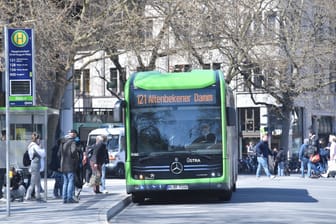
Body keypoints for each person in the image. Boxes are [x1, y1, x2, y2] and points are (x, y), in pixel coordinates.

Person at [58, 129, 80, 203]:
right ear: (73, 134)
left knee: (65, 181)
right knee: (71, 181)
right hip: (70, 164)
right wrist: (75, 157)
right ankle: (69, 197)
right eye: (75, 134)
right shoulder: (72, 142)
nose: (76, 136)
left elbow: (59, 154)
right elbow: (73, 151)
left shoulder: (62, 141)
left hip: (63, 164)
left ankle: (64, 198)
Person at [25, 132, 46, 201]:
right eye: (39, 139)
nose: (39, 140)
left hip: (35, 164)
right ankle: (28, 196)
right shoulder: (35, 146)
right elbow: (43, 154)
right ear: (36, 139)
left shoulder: (31, 146)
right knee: (33, 182)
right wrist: (41, 147)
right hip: (35, 165)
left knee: (37, 181)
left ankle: (38, 195)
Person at [0, 129, 6, 202]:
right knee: (1, 180)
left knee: (2, 179)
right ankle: (0, 194)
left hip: (3, 164)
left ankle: (1, 193)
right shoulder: (2, 143)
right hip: (1, 164)